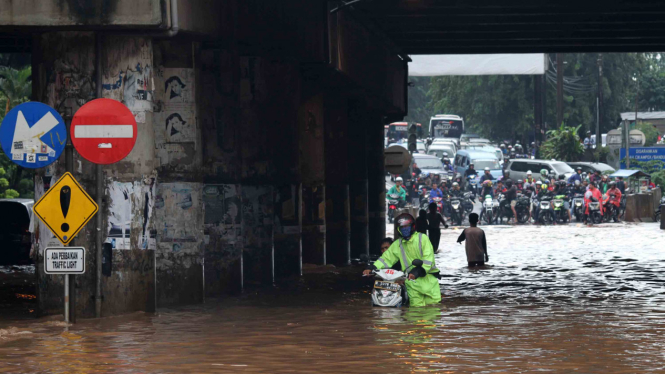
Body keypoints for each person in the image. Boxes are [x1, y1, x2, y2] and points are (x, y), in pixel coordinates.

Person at [364, 213, 442, 307]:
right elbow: (386, 258)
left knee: (433, 311)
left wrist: (417, 271)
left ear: (412, 226)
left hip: (429, 281)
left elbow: (428, 260)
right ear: (398, 230)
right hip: (412, 284)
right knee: (415, 314)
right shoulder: (398, 244)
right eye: (402, 228)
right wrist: (372, 267)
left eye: (407, 227)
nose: (404, 230)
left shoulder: (422, 238)